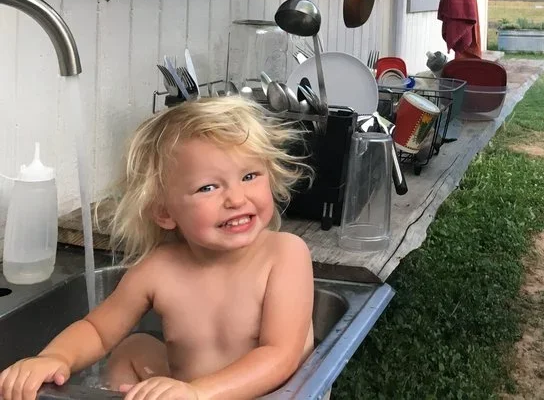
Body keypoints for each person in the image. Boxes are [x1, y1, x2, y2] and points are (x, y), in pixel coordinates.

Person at [0, 96, 315, 400]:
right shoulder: (158, 269)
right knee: (133, 349)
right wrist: (55, 357)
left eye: (249, 176)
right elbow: (97, 330)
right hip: (188, 393)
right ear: (165, 212)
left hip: (264, 394)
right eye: (208, 187)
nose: (236, 198)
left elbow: (279, 357)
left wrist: (199, 392)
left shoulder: (284, 254)